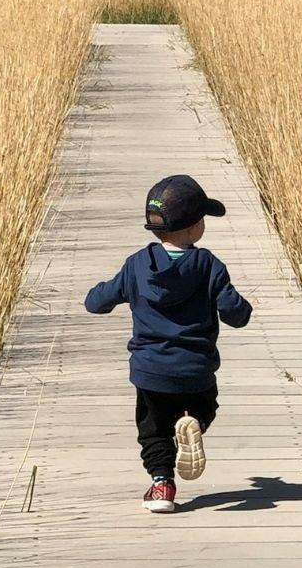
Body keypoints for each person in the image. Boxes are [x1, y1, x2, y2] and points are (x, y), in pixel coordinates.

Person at [83, 174, 253, 513]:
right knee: (206, 406)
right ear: (193, 229)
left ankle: (162, 485)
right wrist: (242, 307)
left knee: (153, 430)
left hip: (151, 371)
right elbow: (236, 314)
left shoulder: (136, 266)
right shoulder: (208, 266)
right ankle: (195, 424)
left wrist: (96, 296)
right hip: (196, 369)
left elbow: (97, 302)